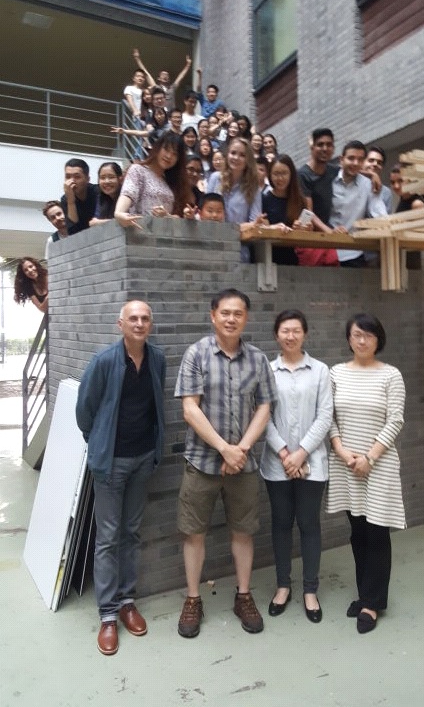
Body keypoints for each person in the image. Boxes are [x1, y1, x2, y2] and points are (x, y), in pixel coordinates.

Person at [175, 288, 277, 638]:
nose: (231, 319)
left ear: (246, 318)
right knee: (194, 533)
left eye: (238, 313)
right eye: (225, 313)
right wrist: (224, 449)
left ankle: (243, 595)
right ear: (213, 316)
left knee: (243, 532)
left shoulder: (258, 359)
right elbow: (190, 409)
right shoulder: (196, 354)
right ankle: (193, 599)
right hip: (201, 462)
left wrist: (241, 450)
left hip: (243, 465)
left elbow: (265, 407)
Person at [76, 300, 166, 655]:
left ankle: (128, 602)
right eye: (133, 319)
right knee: (108, 537)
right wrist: (97, 442)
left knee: (131, 532)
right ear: (121, 324)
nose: (139, 323)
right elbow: (84, 411)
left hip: (143, 459)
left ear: (150, 324)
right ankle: (108, 615)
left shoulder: (157, 359)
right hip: (111, 463)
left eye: (145, 318)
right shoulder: (103, 362)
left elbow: (157, 404)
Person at [327, 313, 406, 634]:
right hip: (346, 464)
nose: (362, 340)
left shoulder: (391, 375)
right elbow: (329, 417)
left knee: (377, 532)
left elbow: (395, 419)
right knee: (358, 531)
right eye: (356, 334)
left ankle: (372, 603)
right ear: (349, 338)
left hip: (379, 465)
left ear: (378, 339)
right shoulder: (335, 373)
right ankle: (365, 595)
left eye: (368, 335)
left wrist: (370, 457)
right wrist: (342, 451)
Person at [260, 310, 332, 622]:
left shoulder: (320, 370)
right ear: (277, 335)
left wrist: (301, 453)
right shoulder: (267, 370)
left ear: (305, 334)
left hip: (311, 462)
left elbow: (325, 415)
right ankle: (283, 586)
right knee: (281, 524)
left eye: (296, 331)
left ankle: (310, 590)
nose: (290, 336)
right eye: (285, 331)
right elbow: (262, 416)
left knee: (309, 524)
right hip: (277, 463)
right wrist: (284, 453)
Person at [328, 141, 387, 266]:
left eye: (360, 160)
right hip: (326, 249)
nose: (355, 163)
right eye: (351, 158)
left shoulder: (368, 185)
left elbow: (380, 214)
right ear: (341, 160)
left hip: (354, 253)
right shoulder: (328, 180)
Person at [114, 131, 188, 226]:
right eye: (166, 149)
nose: (169, 156)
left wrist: (167, 216)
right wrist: (119, 212)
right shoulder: (138, 170)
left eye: (175, 154)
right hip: (139, 230)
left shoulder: (173, 182)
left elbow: (177, 217)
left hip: (164, 233)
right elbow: (128, 194)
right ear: (158, 148)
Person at [207, 137, 262, 262]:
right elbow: (205, 212)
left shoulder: (254, 188)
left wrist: (230, 230)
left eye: (242, 155)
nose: (236, 158)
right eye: (233, 153)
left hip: (238, 250)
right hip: (212, 245)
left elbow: (254, 224)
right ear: (227, 155)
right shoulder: (215, 178)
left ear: (248, 160)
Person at [298, 128, 338, 225]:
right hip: (313, 231)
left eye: (329, 145)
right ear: (312, 147)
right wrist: (329, 231)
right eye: (320, 145)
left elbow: (352, 170)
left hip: (337, 229)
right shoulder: (302, 175)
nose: (325, 149)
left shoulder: (335, 171)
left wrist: (372, 175)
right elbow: (308, 212)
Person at [61, 158, 98, 231]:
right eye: (68, 177)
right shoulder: (65, 199)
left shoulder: (98, 192)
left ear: (87, 179)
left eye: (77, 177)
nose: (72, 181)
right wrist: (71, 202)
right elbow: (73, 231)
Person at [363, 147, 393, 213]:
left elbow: (387, 217)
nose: (375, 164)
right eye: (371, 160)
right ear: (362, 162)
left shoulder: (386, 192)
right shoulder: (352, 182)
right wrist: (371, 174)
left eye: (379, 163)